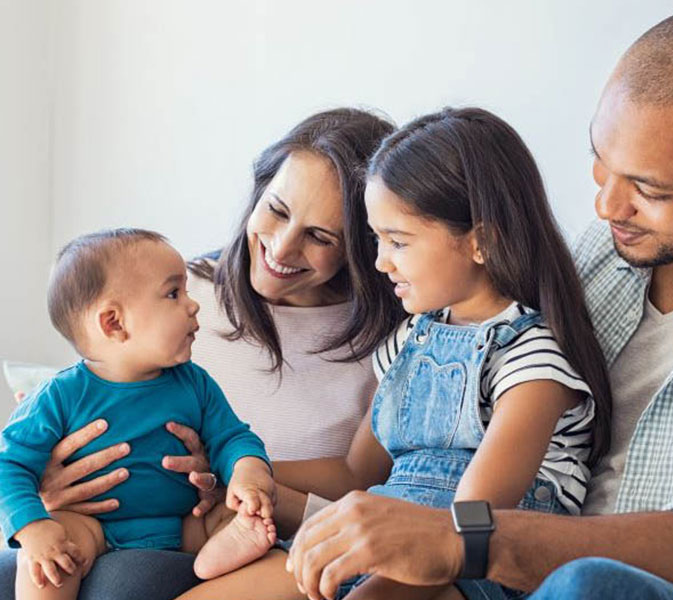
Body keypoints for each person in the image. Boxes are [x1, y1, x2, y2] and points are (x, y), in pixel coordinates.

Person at [286, 8, 673, 600]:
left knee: (586, 584)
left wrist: (467, 539)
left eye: (649, 189)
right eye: (600, 166)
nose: (606, 208)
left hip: (582, 580)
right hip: (506, 570)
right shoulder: (607, 253)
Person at [174, 106, 612, 600]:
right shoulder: (411, 340)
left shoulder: (532, 360)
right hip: (380, 532)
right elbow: (356, 474)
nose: (380, 263)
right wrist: (244, 470)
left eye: (397, 242)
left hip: (468, 564)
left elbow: (470, 526)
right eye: (377, 239)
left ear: (482, 243)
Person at [0, 108, 400, 599]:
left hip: (231, 530)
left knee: (124, 584)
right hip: (94, 522)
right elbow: (33, 446)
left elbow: (360, 489)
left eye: (320, 236)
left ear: (364, 244)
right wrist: (42, 496)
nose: (280, 247)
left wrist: (238, 478)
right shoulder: (171, 291)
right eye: (276, 210)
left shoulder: (394, 344)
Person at [0, 229, 280, 600]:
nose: (193, 305)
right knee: (49, 561)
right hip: (92, 526)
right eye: (174, 293)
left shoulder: (194, 383)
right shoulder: (60, 395)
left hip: (185, 524)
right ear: (114, 323)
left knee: (234, 516)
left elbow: (231, 437)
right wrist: (33, 528)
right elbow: (9, 465)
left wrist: (248, 472)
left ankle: (218, 555)